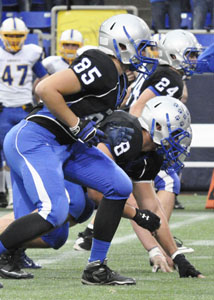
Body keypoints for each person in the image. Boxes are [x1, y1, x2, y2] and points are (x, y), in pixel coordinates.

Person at [1, 13, 159, 286]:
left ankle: (96, 267)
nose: (147, 53)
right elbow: (46, 88)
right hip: (37, 139)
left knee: (119, 185)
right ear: (121, 45)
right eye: (142, 46)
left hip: (66, 145)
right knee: (54, 212)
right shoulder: (102, 63)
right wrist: (76, 125)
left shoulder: (122, 79)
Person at [76, 96, 204, 279]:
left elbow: (151, 210)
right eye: (175, 134)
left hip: (85, 185)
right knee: (65, 210)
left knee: (74, 214)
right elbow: (98, 192)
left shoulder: (151, 157)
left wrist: (177, 257)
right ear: (157, 126)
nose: (177, 142)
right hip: (68, 170)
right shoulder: (122, 132)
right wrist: (138, 218)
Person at [0, 17, 48, 209]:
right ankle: (5, 193)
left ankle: (21, 194)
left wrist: (41, 99)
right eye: (10, 36)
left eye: (18, 36)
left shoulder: (32, 53)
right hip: (2, 109)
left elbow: (45, 78)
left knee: (22, 153)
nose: (13, 40)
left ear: (25, 36)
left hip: (24, 109)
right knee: (3, 155)